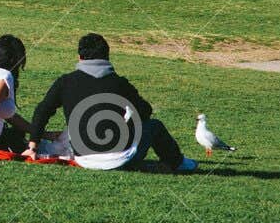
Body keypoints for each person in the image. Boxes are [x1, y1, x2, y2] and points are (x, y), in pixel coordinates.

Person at [24, 33, 195, 171]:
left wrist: (32, 146)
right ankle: (176, 162)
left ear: (80, 57)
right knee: (155, 126)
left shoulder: (66, 82)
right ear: (107, 56)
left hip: (83, 157)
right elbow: (145, 111)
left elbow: (42, 110)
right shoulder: (119, 83)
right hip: (121, 157)